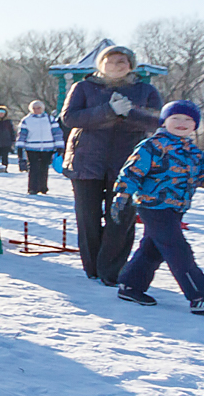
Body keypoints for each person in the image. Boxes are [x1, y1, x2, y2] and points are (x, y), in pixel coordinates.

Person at [112, 101, 204, 313]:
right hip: (153, 205)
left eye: (188, 120)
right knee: (178, 250)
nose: (182, 123)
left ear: (195, 125)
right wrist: (122, 194)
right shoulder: (153, 146)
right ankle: (201, 296)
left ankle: (130, 285)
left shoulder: (194, 153)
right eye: (176, 118)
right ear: (165, 121)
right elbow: (132, 171)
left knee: (153, 249)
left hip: (177, 208)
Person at [60, 44, 162, 285]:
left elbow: (156, 120)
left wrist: (129, 113)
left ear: (130, 66)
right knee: (88, 217)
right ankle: (93, 268)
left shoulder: (145, 90)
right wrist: (108, 110)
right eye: (110, 61)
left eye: (122, 62)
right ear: (100, 64)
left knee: (122, 218)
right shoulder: (83, 87)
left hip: (129, 164)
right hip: (87, 160)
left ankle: (112, 270)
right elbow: (70, 118)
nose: (116, 66)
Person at [16, 100, 63, 195]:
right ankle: (32, 188)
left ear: (42, 108)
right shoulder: (27, 120)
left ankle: (43, 187)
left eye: (39, 108)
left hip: (47, 148)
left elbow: (57, 133)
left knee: (44, 168)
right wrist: (20, 147)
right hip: (32, 148)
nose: (37, 110)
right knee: (33, 168)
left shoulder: (50, 119)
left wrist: (59, 146)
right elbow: (22, 134)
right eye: (34, 108)